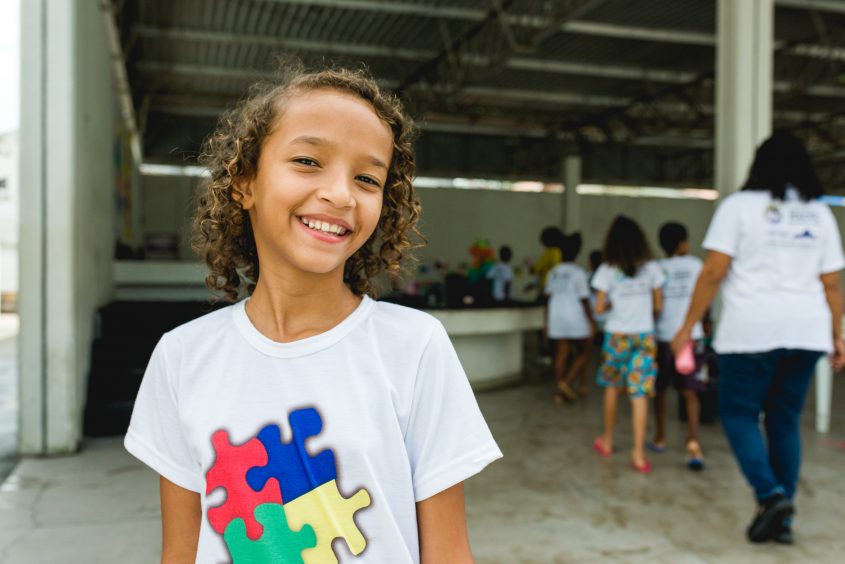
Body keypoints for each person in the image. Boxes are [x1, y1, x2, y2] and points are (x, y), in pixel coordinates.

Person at [124, 65, 502, 563]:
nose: (342, 193)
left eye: (367, 178)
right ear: (245, 183)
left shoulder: (415, 347)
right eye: (307, 160)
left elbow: (449, 553)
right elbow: (180, 551)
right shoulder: (181, 358)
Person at [672, 130, 845, 544]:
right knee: (784, 420)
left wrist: (686, 328)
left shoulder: (739, 208)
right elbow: (833, 283)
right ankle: (781, 517)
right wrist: (837, 334)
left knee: (738, 414)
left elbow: (713, 272)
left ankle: (770, 497)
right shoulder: (818, 214)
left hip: (750, 331)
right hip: (806, 331)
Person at [591, 216, 665, 474]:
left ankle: (608, 441)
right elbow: (658, 306)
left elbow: (598, 308)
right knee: (639, 393)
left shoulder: (606, 270)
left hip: (616, 337)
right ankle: (638, 455)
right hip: (644, 336)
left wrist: (614, 304)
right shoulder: (652, 268)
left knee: (612, 388)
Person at [650, 222, 708, 470]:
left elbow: (655, 306)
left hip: (664, 337)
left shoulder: (657, 269)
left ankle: (660, 436)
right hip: (689, 337)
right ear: (683, 243)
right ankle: (693, 441)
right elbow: (705, 300)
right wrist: (705, 325)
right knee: (690, 391)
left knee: (660, 389)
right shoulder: (697, 265)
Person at [545, 232, 595, 402]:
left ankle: (559, 393)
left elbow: (548, 298)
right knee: (585, 351)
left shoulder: (553, 272)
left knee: (562, 353)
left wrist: (546, 322)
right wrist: (591, 321)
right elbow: (584, 300)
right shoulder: (578, 273)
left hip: (556, 316)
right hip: (575, 317)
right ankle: (566, 383)